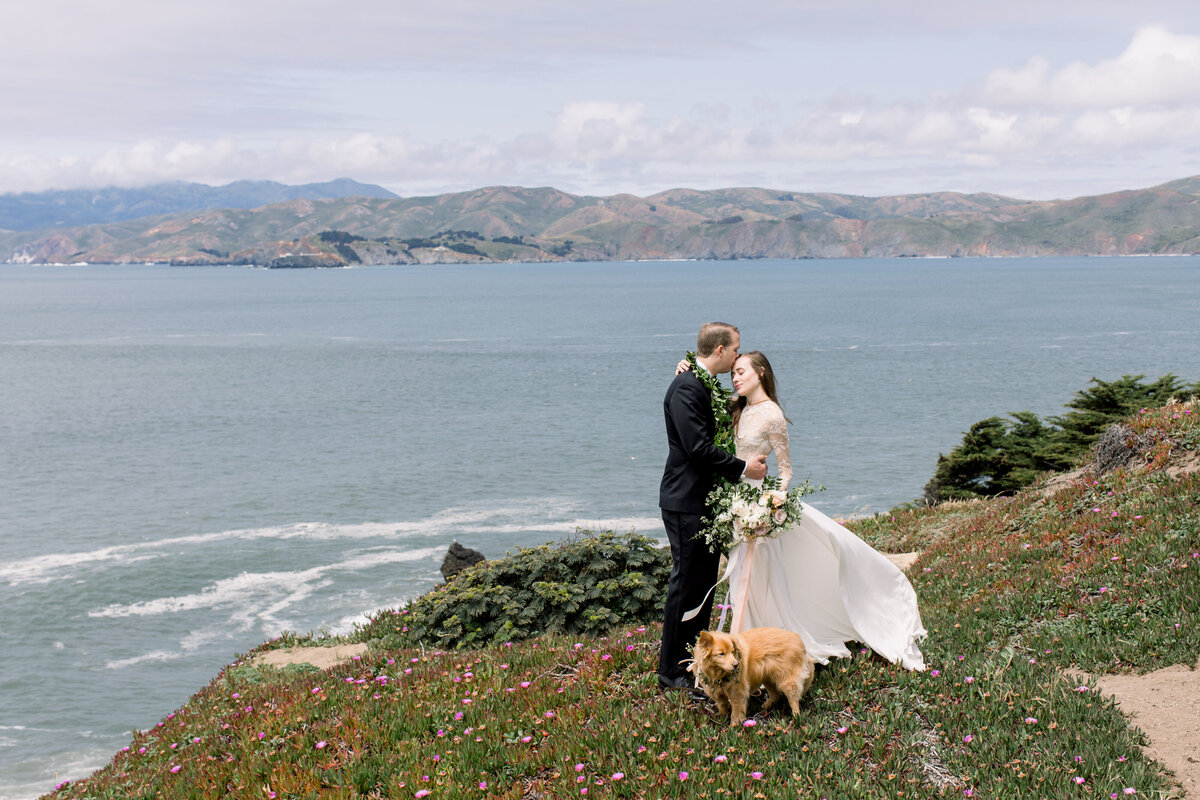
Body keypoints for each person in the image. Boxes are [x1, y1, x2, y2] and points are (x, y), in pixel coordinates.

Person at [718, 350, 926, 670]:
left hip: (757, 505)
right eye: (732, 373)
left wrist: (771, 504)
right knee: (742, 575)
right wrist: (687, 369)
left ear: (760, 373)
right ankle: (746, 642)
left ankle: (764, 645)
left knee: (761, 576)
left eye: (741, 372)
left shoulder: (772, 414)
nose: (735, 378)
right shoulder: (736, 408)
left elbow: (785, 471)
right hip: (734, 501)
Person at [658, 322, 768, 693]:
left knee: (701, 585)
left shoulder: (699, 383)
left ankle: (693, 661)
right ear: (720, 350)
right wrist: (743, 469)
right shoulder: (687, 387)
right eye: (736, 348)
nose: (739, 354)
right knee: (685, 584)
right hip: (684, 500)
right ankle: (671, 671)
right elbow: (698, 449)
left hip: (699, 501)